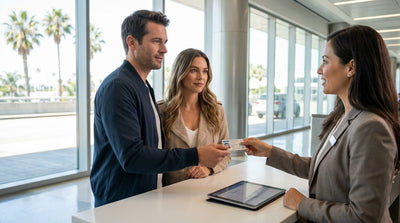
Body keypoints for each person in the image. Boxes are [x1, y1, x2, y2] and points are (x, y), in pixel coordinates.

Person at [242, 25, 399, 222]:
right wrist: (270, 151)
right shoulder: (346, 116)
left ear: (351, 67)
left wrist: (302, 204)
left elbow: (363, 216)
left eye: (325, 61)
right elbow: (324, 170)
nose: (318, 70)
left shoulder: (370, 128)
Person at [90, 10, 229, 207]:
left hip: (148, 199)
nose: (164, 49)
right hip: (121, 205)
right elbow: (133, 157)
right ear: (132, 42)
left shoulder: (143, 87)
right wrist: (196, 155)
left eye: (165, 42)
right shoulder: (118, 87)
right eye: (156, 41)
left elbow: (153, 149)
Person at [158, 48, 231, 185]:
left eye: (205, 71)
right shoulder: (161, 110)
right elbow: (155, 157)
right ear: (180, 73)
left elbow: (226, 152)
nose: (201, 77)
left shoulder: (216, 110)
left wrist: (209, 168)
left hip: (207, 188)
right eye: (193, 70)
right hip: (172, 191)